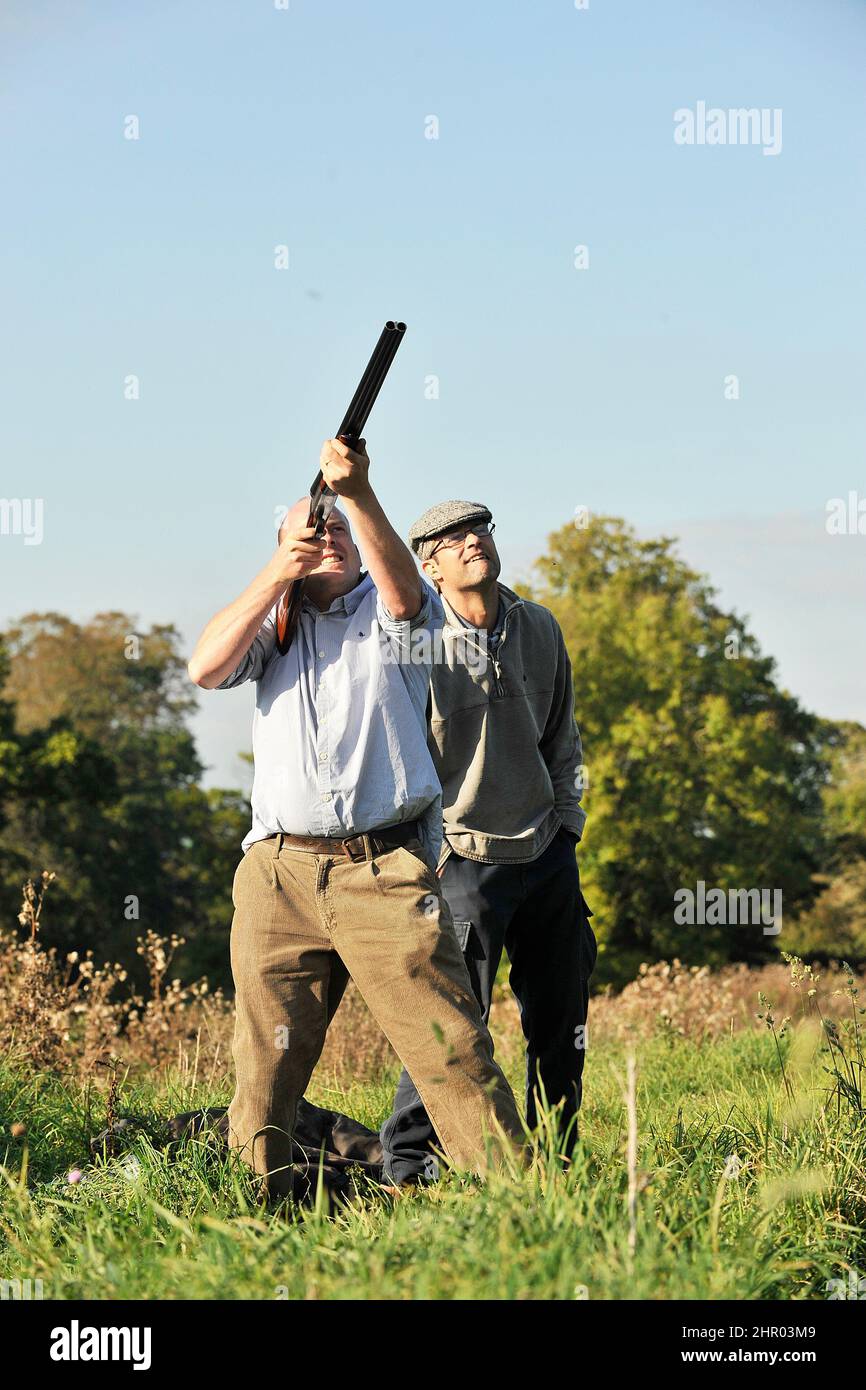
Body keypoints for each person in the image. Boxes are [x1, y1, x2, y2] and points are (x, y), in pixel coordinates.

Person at [188, 444, 524, 1201]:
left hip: (383, 870)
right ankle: (258, 1211)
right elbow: (204, 668)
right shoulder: (268, 626)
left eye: (335, 526)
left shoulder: (392, 611)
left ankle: (525, 1207)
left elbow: (406, 594)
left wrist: (357, 493)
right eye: (311, 527)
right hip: (278, 872)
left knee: (451, 1049)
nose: (327, 533)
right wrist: (278, 570)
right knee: (266, 1064)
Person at [379, 500, 597, 1186]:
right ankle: (409, 1171)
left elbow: (562, 737)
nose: (473, 542)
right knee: (450, 1029)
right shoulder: (416, 643)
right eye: (453, 539)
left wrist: (567, 825)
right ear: (429, 564)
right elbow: (399, 754)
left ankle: (555, 1167)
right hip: (463, 863)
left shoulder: (539, 625)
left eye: (480, 531)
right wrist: (434, 850)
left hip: (547, 854)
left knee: (560, 1027)